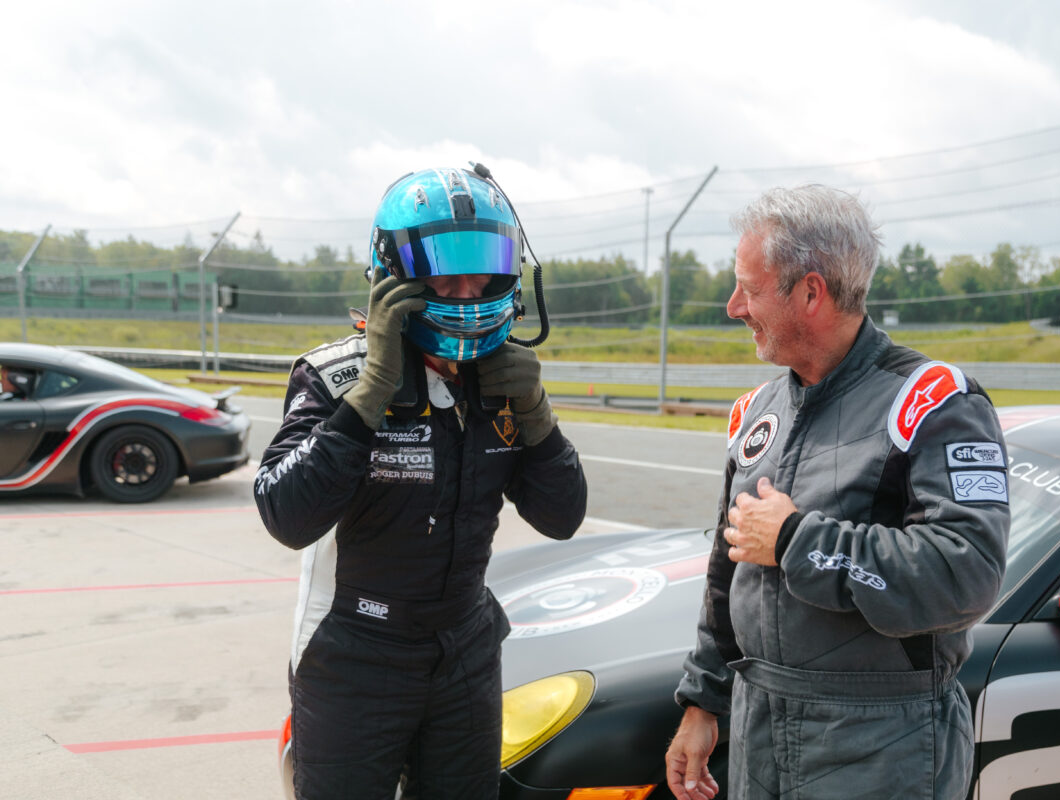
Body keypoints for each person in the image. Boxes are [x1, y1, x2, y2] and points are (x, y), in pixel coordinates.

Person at [665, 185, 1009, 800]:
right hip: (758, 726)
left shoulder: (932, 402)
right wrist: (702, 700)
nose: (733, 305)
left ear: (811, 292)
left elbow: (967, 575)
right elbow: (729, 566)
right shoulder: (756, 411)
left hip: (880, 746)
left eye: (749, 286)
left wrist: (800, 540)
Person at [255, 167, 588, 800]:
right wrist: (371, 393)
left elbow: (563, 516)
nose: (466, 291)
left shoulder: (503, 380)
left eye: (482, 269)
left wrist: (537, 411)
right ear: (392, 275)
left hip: (465, 646)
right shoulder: (332, 375)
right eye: (443, 270)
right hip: (354, 650)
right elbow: (284, 515)